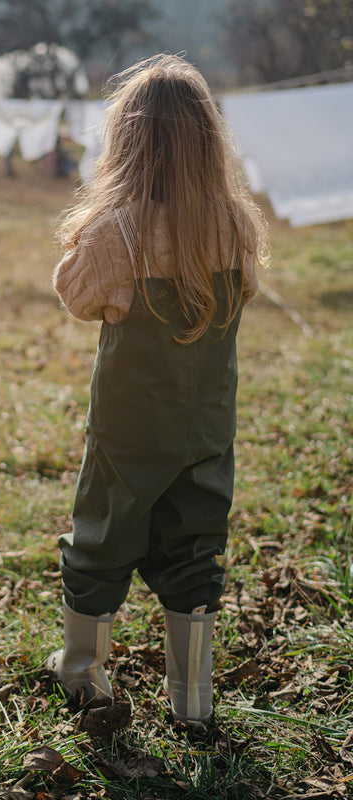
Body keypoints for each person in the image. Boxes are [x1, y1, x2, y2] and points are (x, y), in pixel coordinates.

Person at [47, 54, 269, 725]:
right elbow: (248, 291)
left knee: (103, 537)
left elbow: (76, 296)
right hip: (206, 428)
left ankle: (85, 673)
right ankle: (192, 696)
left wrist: (95, 228)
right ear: (209, 142)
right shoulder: (234, 224)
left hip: (128, 430)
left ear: (128, 143)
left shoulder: (118, 231)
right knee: (197, 544)